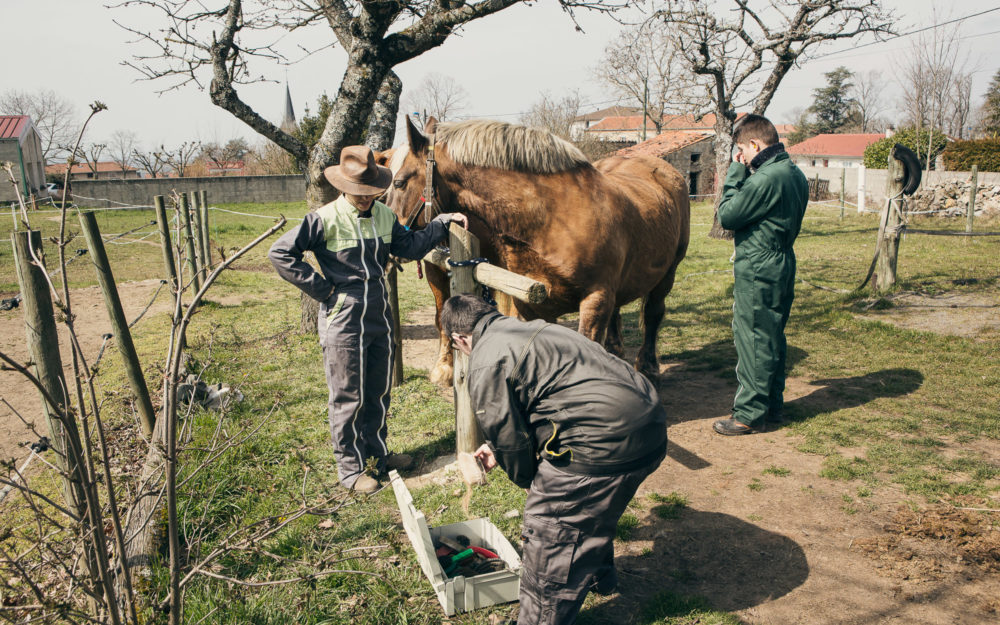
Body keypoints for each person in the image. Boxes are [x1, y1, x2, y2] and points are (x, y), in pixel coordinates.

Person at [441, 294, 667, 625]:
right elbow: (555, 396)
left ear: (460, 338)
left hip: (604, 443)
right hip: (649, 427)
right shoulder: (536, 330)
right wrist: (500, 447)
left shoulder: (486, 357)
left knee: (552, 532)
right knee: (589, 506)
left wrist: (533, 486)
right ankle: (598, 578)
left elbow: (511, 444)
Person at [269, 145, 468, 492]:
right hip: (342, 318)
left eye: (370, 192)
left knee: (378, 390)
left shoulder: (384, 217)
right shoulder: (323, 219)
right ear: (343, 185)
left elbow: (409, 247)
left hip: (379, 312)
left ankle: (377, 454)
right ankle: (350, 470)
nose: (364, 199)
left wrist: (439, 224)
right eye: (358, 192)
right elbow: (281, 253)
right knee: (347, 394)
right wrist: (324, 290)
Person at [713, 114, 808, 436]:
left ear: (755, 144)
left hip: (759, 264)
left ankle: (748, 415)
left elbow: (727, 215)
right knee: (772, 336)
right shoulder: (793, 172)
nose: (742, 156)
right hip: (782, 259)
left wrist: (736, 170)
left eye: (743, 149)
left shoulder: (766, 178)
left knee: (753, 337)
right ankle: (772, 406)